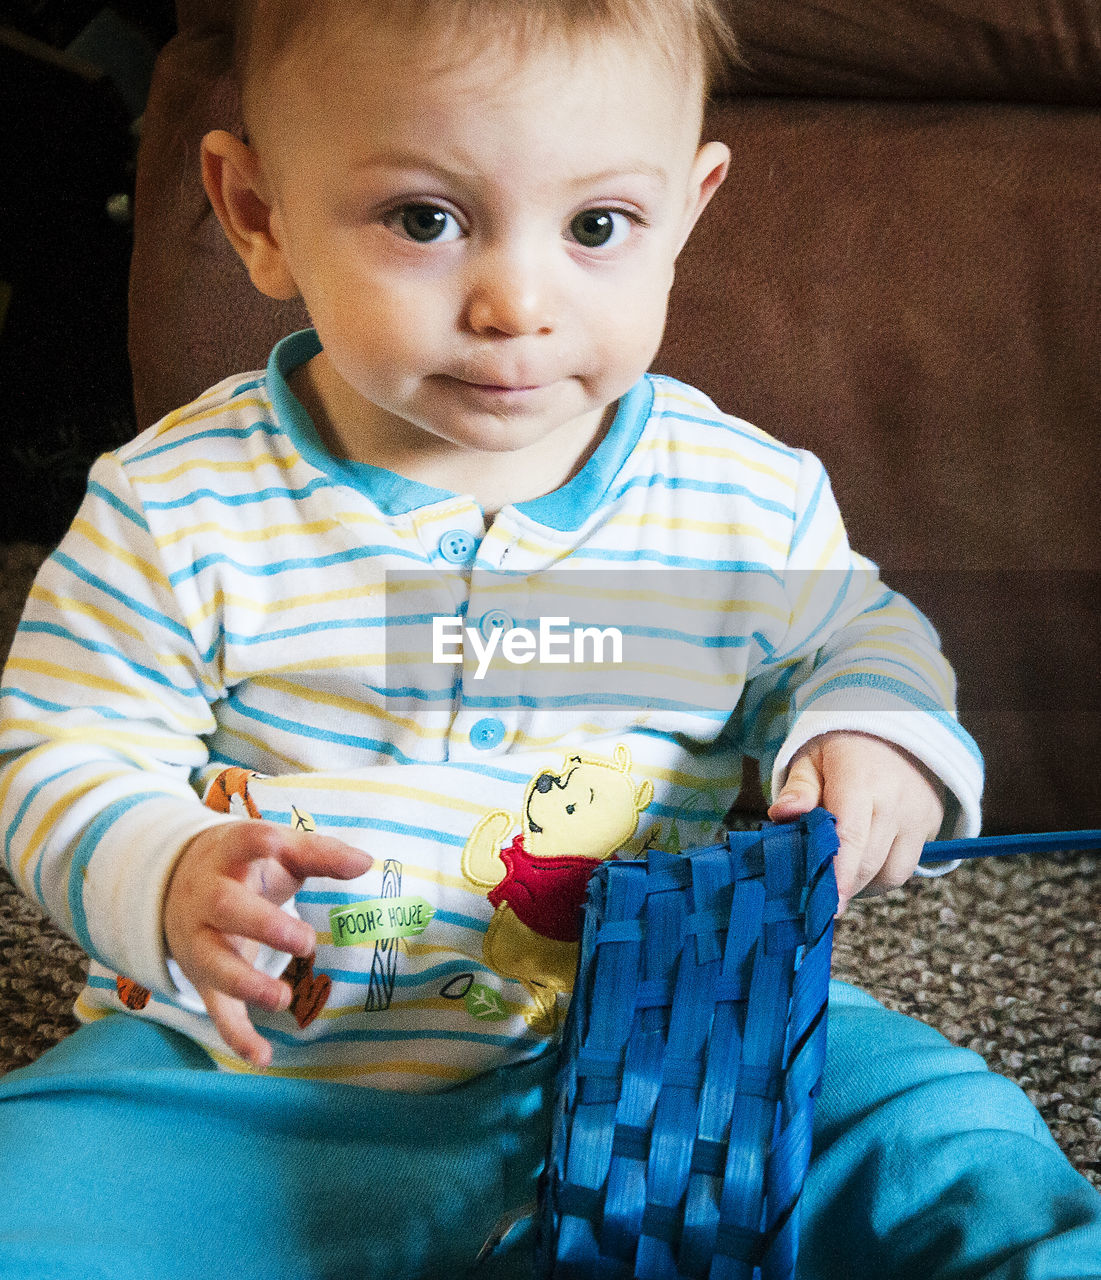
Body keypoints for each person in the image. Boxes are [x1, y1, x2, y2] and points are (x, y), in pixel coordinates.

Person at [0, 1, 1097, 1276]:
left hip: (686, 1052)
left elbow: (861, 638)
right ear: (258, 214)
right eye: (425, 218)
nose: (515, 302)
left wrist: (875, 737)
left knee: (947, 1137)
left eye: (595, 228)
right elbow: (62, 744)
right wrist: (165, 866)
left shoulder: (741, 497)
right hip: (252, 1075)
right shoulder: (178, 502)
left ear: (685, 213)